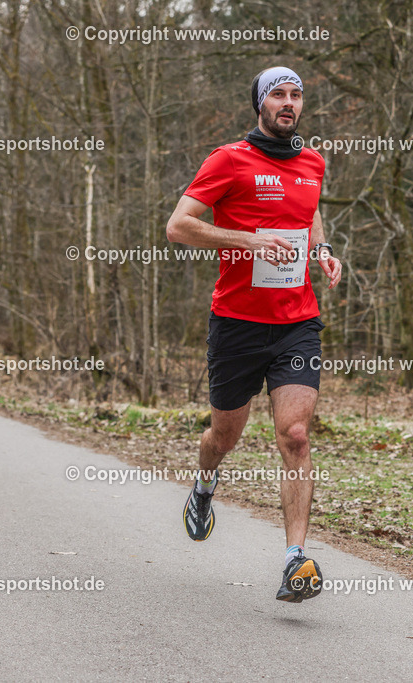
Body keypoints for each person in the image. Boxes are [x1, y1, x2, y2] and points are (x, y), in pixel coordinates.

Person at [166, 66, 342, 603]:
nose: (289, 103)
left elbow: (307, 215)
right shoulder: (229, 160)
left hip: (296, 322)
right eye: (278, 95)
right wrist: (247, 242)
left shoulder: (314, 163)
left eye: (296, 95)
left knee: (295, 435)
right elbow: (178, 226)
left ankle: (294, 561)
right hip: (238, 325)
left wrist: (322, 251)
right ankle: (203, 486)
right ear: (260, 105)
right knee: (224, 438)